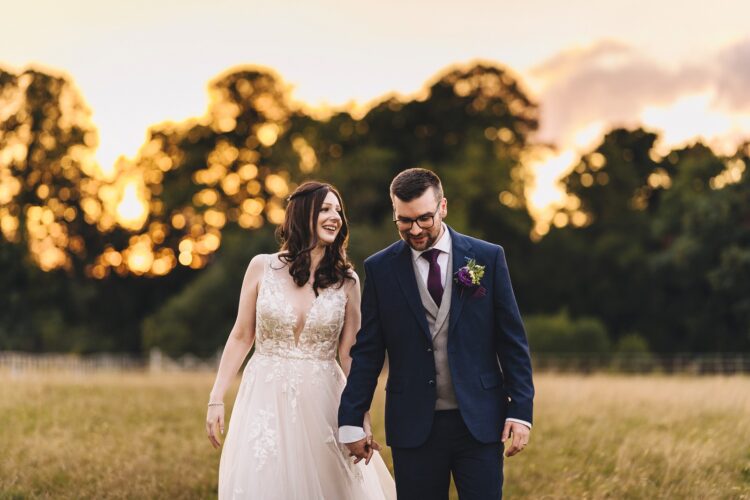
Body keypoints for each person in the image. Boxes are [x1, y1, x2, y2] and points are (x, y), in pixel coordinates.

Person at [338, 168, 535, 500]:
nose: (415, 229)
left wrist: (520, 411)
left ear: (442, 207)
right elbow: (368, 352)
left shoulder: (487, 257)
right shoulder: (380, 269)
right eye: (404, 221)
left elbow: (511, 341)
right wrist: (351, 419)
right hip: (413, 426)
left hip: (480, 420)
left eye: (424, 219)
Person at [206, 181, 396, 499]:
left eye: (338, 210)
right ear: (302, 213)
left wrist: (361, 417)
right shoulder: (261, 267)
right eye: (325, 208)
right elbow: (241, 335)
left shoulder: (347, 281)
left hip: (325, 399)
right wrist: (216, 397)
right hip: (265, 397)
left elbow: (350, 355)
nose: (335, 216)